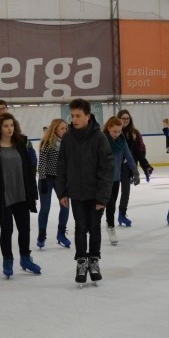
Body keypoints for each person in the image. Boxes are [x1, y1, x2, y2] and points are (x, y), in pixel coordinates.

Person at [56, 99, 114, 286]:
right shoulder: (67, 138)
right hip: (77, 193)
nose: (74, 119)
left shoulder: (99, 138)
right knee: (80, 228)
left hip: (96, 194)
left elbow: (107, 169)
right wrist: (62, 193)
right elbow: (61, 167)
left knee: (94, 227)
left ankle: (94, 261)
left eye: (78, 116)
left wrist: (102, 197)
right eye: (72, 116)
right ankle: (82, 262)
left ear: (88, 116)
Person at [0, 112, 40, 278]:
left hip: (21, 195)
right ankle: (7, 259)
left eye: (12, 125)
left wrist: (32, 193)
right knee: (6, 230)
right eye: (6, 125)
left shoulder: (21, 145)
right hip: (3, 198)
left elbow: (29, 171)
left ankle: (25, 258)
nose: (9, 128)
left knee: (25, 229)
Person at [103, 116, 139, 246]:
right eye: (114, 131)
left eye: (119, 131)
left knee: (111, 204)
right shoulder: (101, 140)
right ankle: (106, 225)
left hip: (116, 178)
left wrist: (135, 171)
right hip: (102, 178)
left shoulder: (122, 141)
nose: (117, 134)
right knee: (106, 203)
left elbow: (129, 157)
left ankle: (110, 225)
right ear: (108, 129)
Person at [36, 118, 70, 249]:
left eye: (66, 128)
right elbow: (42, 163)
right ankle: (41, 234)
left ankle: (61, 234)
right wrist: (43, 179)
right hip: (47, 179)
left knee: (65, 207)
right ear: (54, 129)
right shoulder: (47, 143)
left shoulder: (68, 143)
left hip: (61, 180)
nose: (64, 130)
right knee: (45, 208)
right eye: (62, 128)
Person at [116, 109, 153, 227]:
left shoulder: (134, 133)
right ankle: (106, 216)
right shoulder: (115, 131)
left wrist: (145, 166)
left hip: (127, 166)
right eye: (123, 118)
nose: (125, 121)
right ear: (119, 119)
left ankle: (122, 214)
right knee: (111, 192)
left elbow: (139, 152)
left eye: (127, 118)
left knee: (125, 191)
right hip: (114, 166)